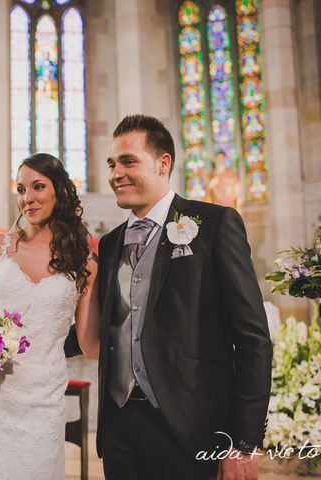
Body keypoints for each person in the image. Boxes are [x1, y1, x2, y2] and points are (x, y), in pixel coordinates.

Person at [73, 114, 272, 479]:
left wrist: (243, 442)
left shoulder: (214, 225)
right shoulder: (110, 242)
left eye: (128, 161)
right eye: (112, 164)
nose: (116, 173)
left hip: (191, 428)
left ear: (163, 163)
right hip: (119, 429)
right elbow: (106, 330)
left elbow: (253, 340)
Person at [0, 153, 97, 480]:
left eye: (38, 187)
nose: (28, 198)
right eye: (21, 189)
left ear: (62, 192)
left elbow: (88, 343)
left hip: (42, 400)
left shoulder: (85, 262)